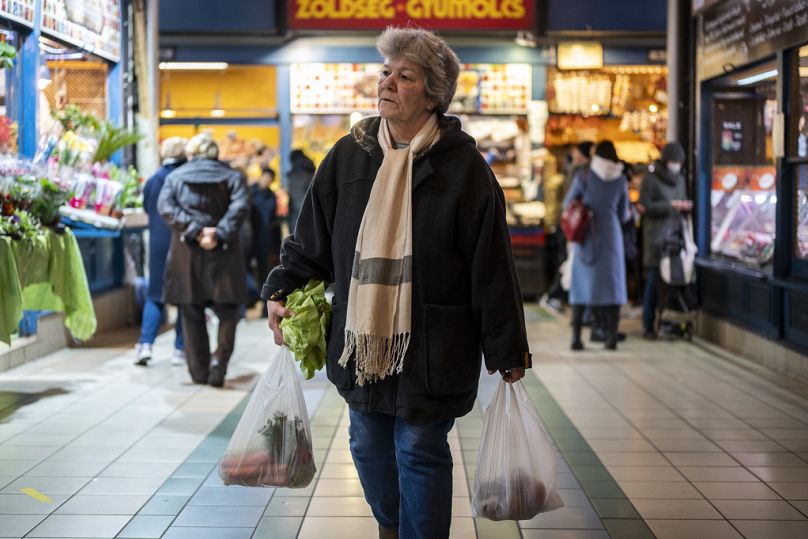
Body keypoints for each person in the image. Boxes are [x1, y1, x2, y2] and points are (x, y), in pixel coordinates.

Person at [262, 27, 531, 539]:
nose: (387, 83)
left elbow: (492, 268)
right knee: (366, 444)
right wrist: (280, 288)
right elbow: (312, 239)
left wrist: (508, 348)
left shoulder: (467, 170)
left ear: (433, 95)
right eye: (386, 72)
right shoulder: (349, 155)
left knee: (419, 448)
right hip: (362, 342)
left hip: (435, 342)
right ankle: (391, 527)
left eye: (404, 76)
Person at [158, 133, 250, 387]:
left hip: (187, 256)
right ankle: (219, 361)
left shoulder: (175, 178)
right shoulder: (233, 177)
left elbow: (165, 207)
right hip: (224, 253)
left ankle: (199, 371)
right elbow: (240, 206)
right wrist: (218, 232)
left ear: (192, 154)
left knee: (191, 311)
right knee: (228, 310)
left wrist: (195, 230)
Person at [564, 141, 629, 351]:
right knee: (613, 286)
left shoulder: (584, 175)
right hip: (611, 235)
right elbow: (622, 213)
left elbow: (568, 204)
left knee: (582, 285)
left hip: (587, 235)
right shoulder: (620, 178)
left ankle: (576, 338)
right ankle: (611, 338)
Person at [135, 137, 188, 367]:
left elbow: (147, 207)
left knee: (155, 295)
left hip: (157, 242)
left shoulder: (153, 180)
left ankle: (145, 345)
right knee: (185, 297)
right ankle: (180, 349)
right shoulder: (187, 177)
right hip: (183, 242)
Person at [638, 142, 691, 340]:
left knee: (674, 282)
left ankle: (671, 322)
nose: (676, 165)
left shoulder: (680, 180)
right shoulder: (650, 180)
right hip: (655, 238)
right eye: (673, 161)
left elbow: (682, 199)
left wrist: (684, 206)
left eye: (679, 162)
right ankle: (648, 324)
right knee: (653, 281)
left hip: (675, 238)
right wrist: (670, 206)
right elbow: (643, 206)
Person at [540, 141, 594, 314]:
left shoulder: (574, 170)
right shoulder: (581, 172)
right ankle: (553, 296)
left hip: (567, 223)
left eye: (575, 150)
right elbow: (570, 199)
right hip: (574, 226)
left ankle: (559, 297)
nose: (573, 153)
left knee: (567, 261)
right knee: (568, 262)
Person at [249, 167, 279, 315]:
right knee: (248, 273)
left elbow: (274, 221)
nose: (266, 180)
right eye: (265, 177)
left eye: (270, 178)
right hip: (249, 239)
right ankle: (247, 304)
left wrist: (275, 243)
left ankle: (263, 308)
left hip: (264, 240)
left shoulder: (272, 196)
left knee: (264, 274)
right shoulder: (250, 192)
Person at [286, 149, 315, 234]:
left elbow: (299, 199)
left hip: (300, 219)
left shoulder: (297, 175)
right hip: (311, 216)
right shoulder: (310, 172)